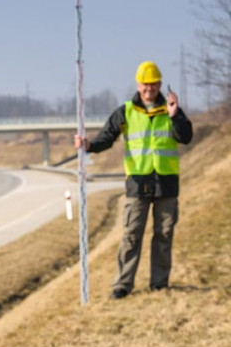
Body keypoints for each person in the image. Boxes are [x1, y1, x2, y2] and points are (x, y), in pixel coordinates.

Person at [75, 60, 192, 299]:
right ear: (138, 85)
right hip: (138, 184)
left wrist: (175, 115)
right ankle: (122, 285)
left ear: (159, 84)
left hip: (166, 184)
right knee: (131, 235)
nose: (149, 88)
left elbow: (186, 137)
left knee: (164, 234)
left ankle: (159, 283)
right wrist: (88, 145)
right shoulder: (125, 111)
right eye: (145, 84)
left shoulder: (172, 110)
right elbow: (107, 138)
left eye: (153, 84)